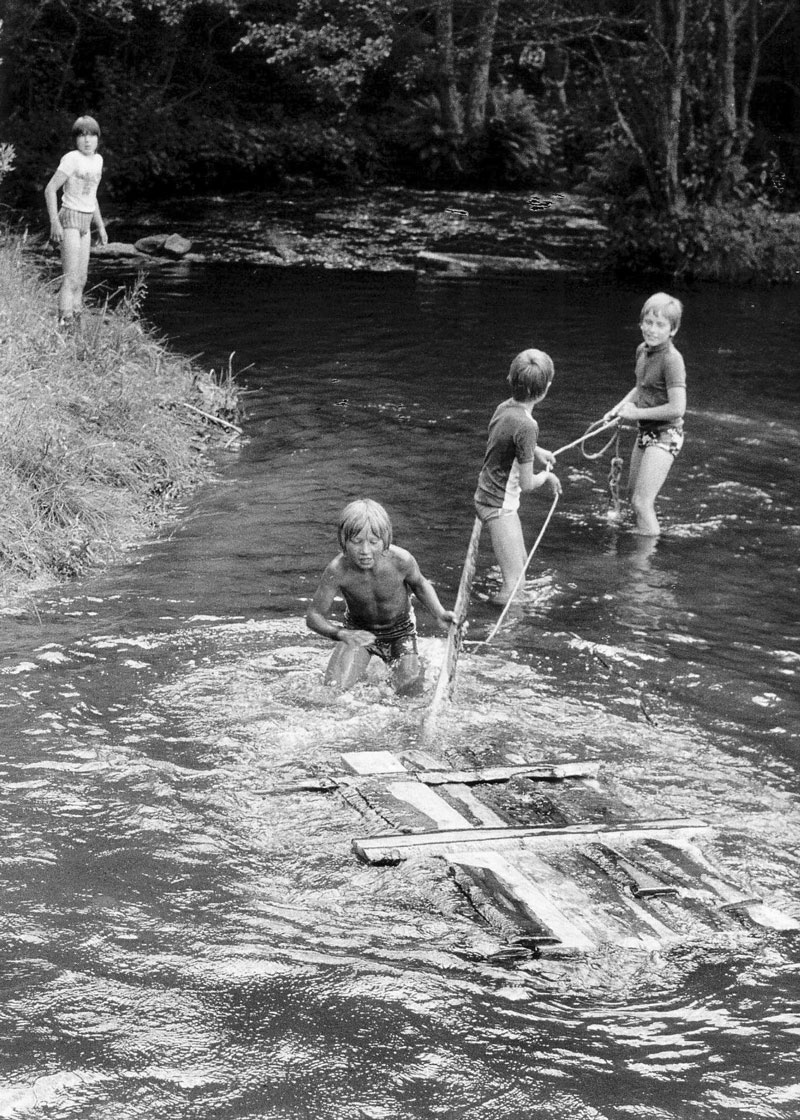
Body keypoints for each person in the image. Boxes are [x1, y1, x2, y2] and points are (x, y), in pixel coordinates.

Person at [306, 499, 456, 694]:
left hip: (400, 633)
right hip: (358, 633)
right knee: (333, 691)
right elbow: (314, 616)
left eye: (373, 542)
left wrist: (440, 613)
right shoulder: (338, 570)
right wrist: (341, 634)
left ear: (385, 541)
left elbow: (420, 585)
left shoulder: (402, 560)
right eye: (357, 542)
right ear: (343, 542)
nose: (365, 551)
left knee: (410, 693)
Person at [473, 348, 562, 605]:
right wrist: (546, 477)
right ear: (546, 389)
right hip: (499, 504)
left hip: (492, 496)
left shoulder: (504, 408)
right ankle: (502, 634)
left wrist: (538, 451)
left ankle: (498, 612)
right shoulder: (528, 425)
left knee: (521, 563)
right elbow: (527, 483)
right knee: (515, 584)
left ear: (510, 380)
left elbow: (508, 440)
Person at [604, 292, 686, 536]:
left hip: (667, 433)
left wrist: (636, 412)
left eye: (660, 325)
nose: (652, 330)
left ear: (673, 330)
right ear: (640, 323)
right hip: (646, 432)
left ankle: (645, 565)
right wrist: (617, 409)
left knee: (641, 503)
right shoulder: (642, 350)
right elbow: (641, 387)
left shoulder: (672, 360)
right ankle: (642, 545)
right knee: (632, 499)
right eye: (648, 323)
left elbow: (677, 408)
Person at [44, 115, 108, 329]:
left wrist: (100, 226)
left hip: (86, 221)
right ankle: (64, 322)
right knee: (70, 277)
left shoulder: (98, 160)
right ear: (75, 140)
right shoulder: (71, 158)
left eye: (91, 135)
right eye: (81, 136)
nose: (87, 140)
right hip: (69, 217)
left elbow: (93, 196)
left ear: (98, 138)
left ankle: (76, 319)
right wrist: (55, 222)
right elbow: (50, 189)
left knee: (81, 278)